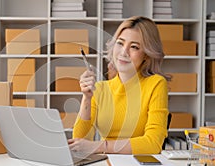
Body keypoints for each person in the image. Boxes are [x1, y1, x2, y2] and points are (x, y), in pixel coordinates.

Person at [68, 16, 170, 155]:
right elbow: (79, 143)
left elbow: (153, 144)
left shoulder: (156, 84)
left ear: (146, 54)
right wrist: (86, 98)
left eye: (134, 47)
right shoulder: (100, 88)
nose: (123, 52)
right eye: (120, 43)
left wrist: (99, 147)